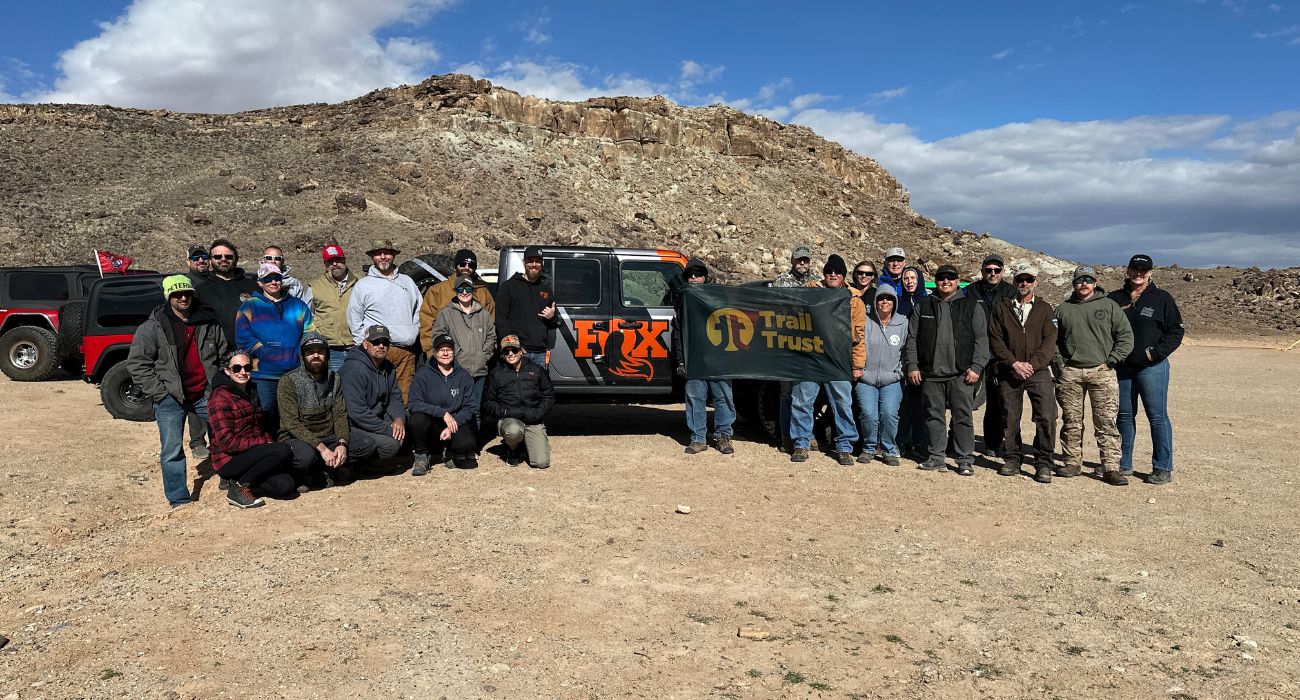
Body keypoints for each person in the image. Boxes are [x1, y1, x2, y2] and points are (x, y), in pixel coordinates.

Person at [125, 275, 228, 508]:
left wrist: (217, 385)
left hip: (205, 393)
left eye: (187, 293)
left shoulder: (208, 322)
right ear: (168, 297)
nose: (183, 298)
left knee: (223, 436)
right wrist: (160, 393)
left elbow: (223, 355)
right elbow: (137, 364)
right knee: (172, 450)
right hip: (170, 397)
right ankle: (179, 499)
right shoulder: (153, 327)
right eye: (177, 294)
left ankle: (228, 479)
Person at [903, 264, 990, 476]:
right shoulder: (924, 305)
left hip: (961, 373)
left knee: (963, 417)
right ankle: (936, 457)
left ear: (958, 281)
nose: (945, 281)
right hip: (931, 373)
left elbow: (981, 339)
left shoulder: (971, 305)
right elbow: (912, 338)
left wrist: (976, 367)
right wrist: (913, 365)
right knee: (934, 417)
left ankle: (964, 459)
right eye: (941, 278)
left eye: (950, 278)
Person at [1054, 265, 1135, 486]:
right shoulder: (1063, 309)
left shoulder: (1109, 306)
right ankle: (1072, 462)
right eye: (1080, 280)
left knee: (1106, 421)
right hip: (1071, 373)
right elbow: (1052, 340)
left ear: (1095, 283)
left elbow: (1126, 337)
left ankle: (1110, 467)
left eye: (1088, 280)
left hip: (1102, 372)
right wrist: (1061, 363)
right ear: (1074, 283)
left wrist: (1111, 361)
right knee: (1071, 420)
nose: (1084, 284)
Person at [1107, 254, 1184, 484]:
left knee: (1157, 417)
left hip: (1152, 368)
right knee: (1124, 416)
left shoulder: (1161, 298)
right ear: (1128, 270)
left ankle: (1162, 467)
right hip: (1123, 368)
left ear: (1150, 272)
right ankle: (1124, 463)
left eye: (1143, 269)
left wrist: (1153, 353)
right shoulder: (1114, 298)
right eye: (1135, 269)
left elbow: (1175, 331)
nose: (1138, 273)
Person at [789, 254, 864, 466]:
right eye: (829, 271)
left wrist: (858, 364)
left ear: (843, 276)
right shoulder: (811, 291)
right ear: (824, 274)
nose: (833, 275)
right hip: (811, 356)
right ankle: (801, 443)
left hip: (839, 359)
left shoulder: (853, 299)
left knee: (842, 403)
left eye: (837, 272)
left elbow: (859, 334)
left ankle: (844, 447)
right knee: (802, 401)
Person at [987, 265, 1058, 483]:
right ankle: (1012, 458)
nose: (1024, 283)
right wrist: (1014, 363)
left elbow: (1049, 342)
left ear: (1035, 282)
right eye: (1020, 280)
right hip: (1010, 370)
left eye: (1029, 280)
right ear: (1015, 282)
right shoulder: (1002, 308)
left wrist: (1032, 365)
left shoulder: (1045, 309)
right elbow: (995, 340)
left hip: (1037, 371)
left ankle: (1044, 461)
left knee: (1047, 415)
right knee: (1009, 416)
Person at [278, 333, 379, 486]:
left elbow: (339, 414)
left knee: (367, 444)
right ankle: (311, 473)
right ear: (303, 355)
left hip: (327, 436)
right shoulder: (288, 381)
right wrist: (322, 448)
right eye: (310, 352)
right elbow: (291, 423)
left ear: (327, 354)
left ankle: (327, 469)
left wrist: (342, 443)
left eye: (320, 351)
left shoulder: (335, 379)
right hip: (297, 438)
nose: (316, 355)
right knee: (306, 457)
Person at [207, 350, 297, 508]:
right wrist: (265, 443)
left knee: (285, 486)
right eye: (237, 368)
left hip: (252, 454)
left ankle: (248, 479)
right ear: (227, 371)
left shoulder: (251, 389)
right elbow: (228, 443)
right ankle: (240, 487)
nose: (242, 372)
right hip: (229, 459)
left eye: (247, 368)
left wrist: (265, 443)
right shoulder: (219, 397)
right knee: (282, 450)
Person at [236, 262, 314, 427]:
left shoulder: (297, 305)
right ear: (260, 282)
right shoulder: (249, 306)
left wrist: (302, 353)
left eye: (277, 278)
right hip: (264, 373)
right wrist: (262, 351)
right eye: (267, 279)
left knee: (295, 413)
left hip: (294, 371)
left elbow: (309, 332)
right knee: (267, 413)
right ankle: (272, 447)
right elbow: (243, 337)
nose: (273, 282)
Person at [672, 258, 736, 455]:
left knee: (723, 399)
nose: (694, 278)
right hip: (695, 359)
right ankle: (698, 439)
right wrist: (682, 360)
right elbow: (678, 333)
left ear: (705, 277)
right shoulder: (682, 301)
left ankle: (723, 436)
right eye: (690, 275)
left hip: (719, 359)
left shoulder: (719, 298)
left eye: (698, 274)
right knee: (695, 399)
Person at [347, 239, 423, 402]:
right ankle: (378, 428)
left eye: (387, 253)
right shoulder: (363, 285)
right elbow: (354, 317)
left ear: (394, 255)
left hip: (405, 351)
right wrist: (364, 344)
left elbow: (419, 310)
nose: (383, 257)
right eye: (378, 253)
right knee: (376, 397)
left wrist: (413, 330)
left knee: (404, 398)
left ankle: (402, 427)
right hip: (377, 351)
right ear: (372, 257)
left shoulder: (407, 282)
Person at [967, 253, 1018, 458]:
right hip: (975, 353)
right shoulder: (970, 291)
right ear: (982, 271)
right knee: (966, 397)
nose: (992, 274)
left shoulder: (1011, 292)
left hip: (1001, 354)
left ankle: (994, 442)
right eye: (989, 270)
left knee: (998, 401)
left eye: (997, 270)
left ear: (1003, 272)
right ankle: (957, 438)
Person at [771, 245, 820, 452]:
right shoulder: (781, 281)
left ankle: (806, 434)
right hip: (787, 345)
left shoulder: (818, 281)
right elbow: (770, 308)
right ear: (792, 261)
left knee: (808, 395)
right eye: (799, 260)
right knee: (786, 393)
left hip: (810, 345)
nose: (802, 263)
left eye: (805, 260)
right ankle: (786, 436)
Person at [409, 333, 480, 474]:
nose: (445, 353)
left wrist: (454, 423)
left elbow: (470, 407)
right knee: (417, 419)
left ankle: (449, 452)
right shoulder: (422, 374)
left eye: (449, 349)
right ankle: (422, 456)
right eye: (441, 350)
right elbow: (414, 403)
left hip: (454, 422)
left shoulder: (464, 376)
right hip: (432, 421)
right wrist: (442, 413)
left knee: (466, 444)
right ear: (435, 353)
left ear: (454, 352)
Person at [482, 335, 555, 469]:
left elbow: (548, 395)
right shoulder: (496, 373)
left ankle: (526, 443)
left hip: (533, 418)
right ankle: (512, 448)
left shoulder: (536, 370)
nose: (510, 354)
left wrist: (539, 412)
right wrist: (504, 412)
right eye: (506, 351)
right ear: (502, 354)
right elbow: (488, 401)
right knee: (513, 431)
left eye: (514, 350)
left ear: (521, 351)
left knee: (541, 463)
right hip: (511, 419)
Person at [339, 324, 407, 464]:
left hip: (376, 416)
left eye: (385, 342)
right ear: (365, 344)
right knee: (392, 444)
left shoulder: (388, 366)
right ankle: (360, 466)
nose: (381, 346)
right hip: (353, 425)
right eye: (376, 342)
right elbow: (357, 413)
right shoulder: (354, 370)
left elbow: (394, 396)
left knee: (408, 422)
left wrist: (399, 419)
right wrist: (388, 430)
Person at [856, 285, 908, 466]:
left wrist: (900, 371)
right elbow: (856, 345)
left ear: (894, 302)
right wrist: (858, 367)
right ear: (875, 301)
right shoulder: (865, 321)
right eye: (880, 298)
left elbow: (908, 351)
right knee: (869, 414)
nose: (884, 302)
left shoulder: (903, 323)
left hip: (892, 379)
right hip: (866, 378)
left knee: (888, 414)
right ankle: (869, 448)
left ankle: (889, 450)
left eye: (888, 298)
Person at [432, 275, 497, 408]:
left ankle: (474, 430)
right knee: (455, 407)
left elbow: (492, 337)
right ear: (456, 291)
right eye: (461, 289)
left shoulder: (483, 314)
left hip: (479, 371)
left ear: (473, 290)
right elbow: (439, 338)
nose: (465, 292)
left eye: (468, 288)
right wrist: (457, 356)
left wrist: (483, 356)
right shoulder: (446, 314)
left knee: (476, 410)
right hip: (455, 370)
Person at [420, 248, 496, 356]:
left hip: (475, 360)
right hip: (445, 357)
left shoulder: (483, 293)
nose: (467, 268)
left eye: (471, 265)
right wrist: (432, 353)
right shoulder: (437, 291)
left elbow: (491, 326)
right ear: (455, 266)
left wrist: (485, 355)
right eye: (463, 264)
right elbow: (426, 324)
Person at [495, 245, 559, 368]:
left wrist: (551, 317)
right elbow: (500, 320)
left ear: (542, 263)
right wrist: (512, 347)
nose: (534, 264)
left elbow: (553, 323)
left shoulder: (546, 290)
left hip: (540, 353)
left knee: (538, 387)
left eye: (538, 261)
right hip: (516, 352)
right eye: (530, 261)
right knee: (515, 386)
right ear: (525, 263)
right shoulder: (509, 287)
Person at [193, 238, 259, 347]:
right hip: (219, 354)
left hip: (253, 349)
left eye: (228, 256)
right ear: (210, 260)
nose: (223, 259)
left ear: (235, 259)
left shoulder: (253, 286)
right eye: (218, 257)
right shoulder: (201, 290)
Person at [895, 265, 929, 459]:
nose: (909, 281)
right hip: (900, 357)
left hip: (921, 359)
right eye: (906, 278)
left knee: (920, 404)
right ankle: (901, 441)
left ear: (919, 280)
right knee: (902, 403)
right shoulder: (897, 302)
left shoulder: (927, 301)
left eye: (912, 278)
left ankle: (920, 443)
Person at [308, 244, 359, 373]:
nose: (335, 264)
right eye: (330, 261)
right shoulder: (314, 286)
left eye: (338, 259)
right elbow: (307, 316)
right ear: (325, 265)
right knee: (334, 385)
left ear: (344, 260)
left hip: (356, 345)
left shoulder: (360, 283)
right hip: (330, 348)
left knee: (356, 384)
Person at [182, 243, 212, 458]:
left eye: (203, 257)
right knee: (197, 391)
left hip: (214, 338)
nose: (201, 260)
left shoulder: (214, 281)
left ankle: (217, 438)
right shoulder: (186, 284)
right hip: (193, 340)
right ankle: (197, 441)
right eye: (196, 258)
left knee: (214, 391)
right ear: (188, 262)